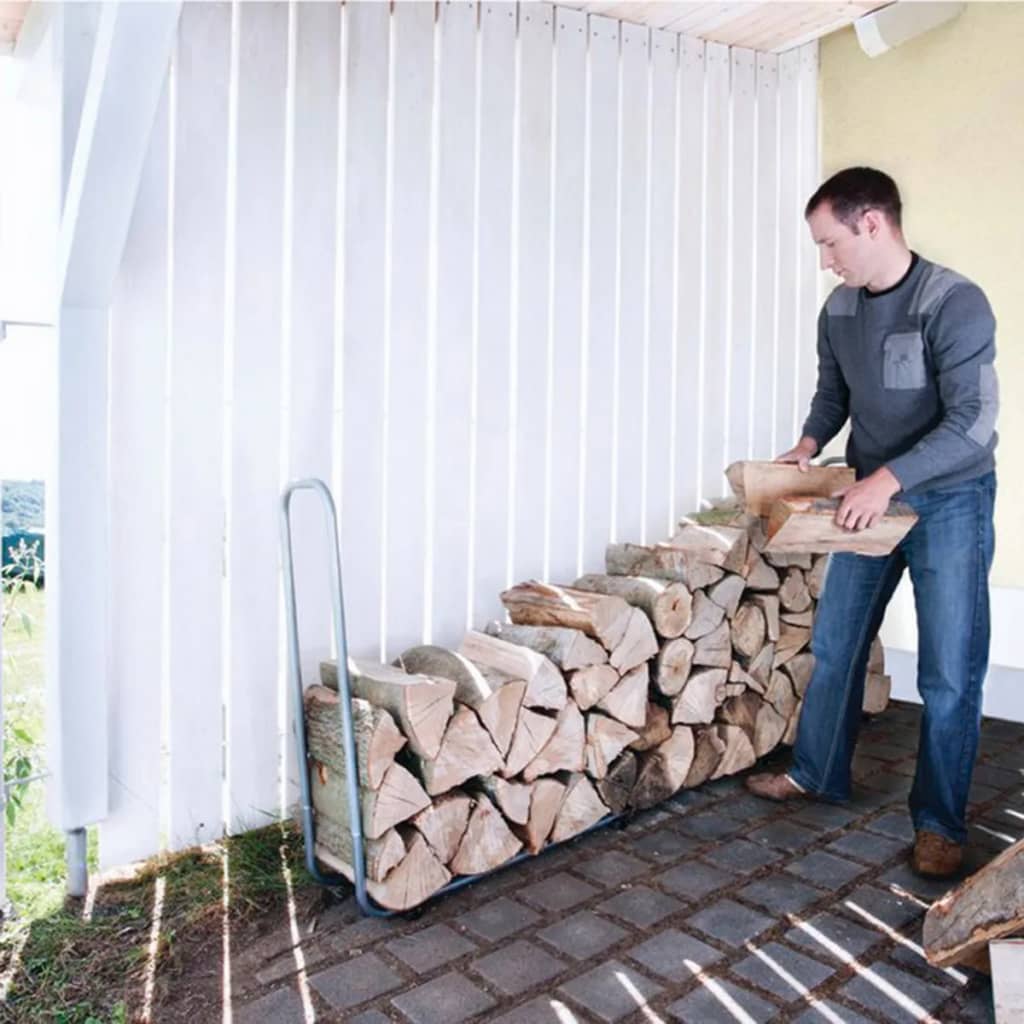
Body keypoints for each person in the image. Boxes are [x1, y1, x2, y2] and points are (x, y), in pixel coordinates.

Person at [745, 167, 998, 880]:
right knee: (836, 643)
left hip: (950, 500)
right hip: (866, 497)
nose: (826, 260)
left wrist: (888, 480)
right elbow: (834, 394)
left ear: (873, 224)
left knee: (949, 671)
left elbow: (974, 424)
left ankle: (940, 825)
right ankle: (817, 773)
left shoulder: (954, 302)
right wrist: (806, 445)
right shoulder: (840, 309)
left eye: (831, 243)